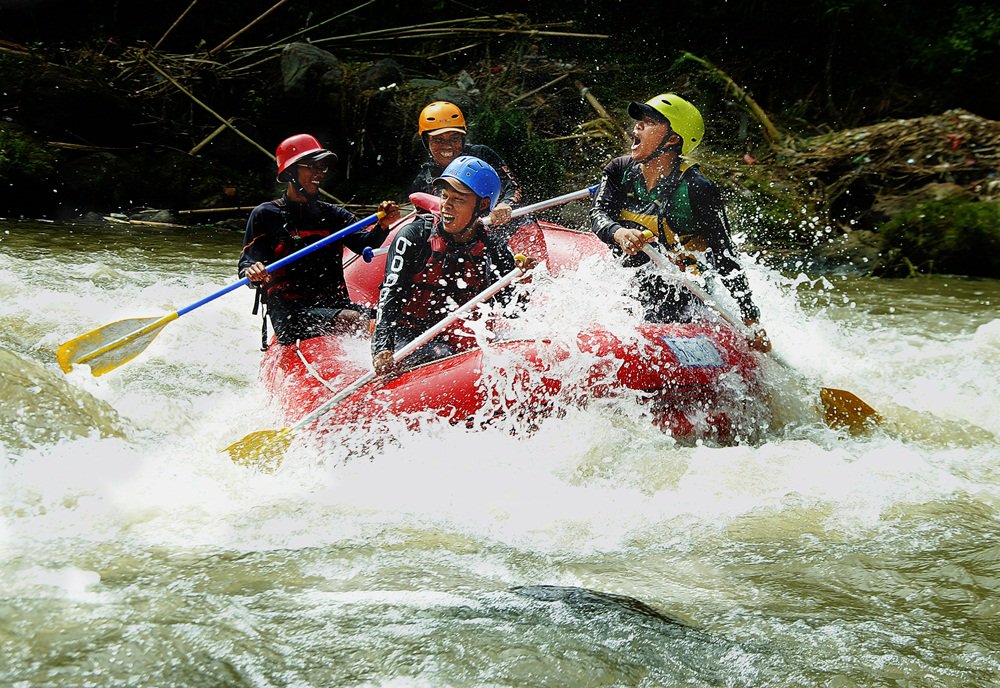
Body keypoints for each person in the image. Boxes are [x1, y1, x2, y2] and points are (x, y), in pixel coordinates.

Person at [589, 93, 771, 352]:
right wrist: (618, 233)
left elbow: (725, 255)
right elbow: (598, 213)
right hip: (626, 279)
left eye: (650, 122)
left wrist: (750, 318)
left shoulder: (697, 188)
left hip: (682, 291)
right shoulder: (619, 170)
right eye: (640, 120)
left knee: (660, 292)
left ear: (673, 139)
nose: (638, 126)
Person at [373, 155, 532, 375]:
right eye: (444, 196)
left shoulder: (492, 248)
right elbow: (390, 294)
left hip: (457, 336)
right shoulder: (414, 236)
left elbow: (512, 310)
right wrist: (382, 348)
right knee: (440, 353)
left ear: (482, 205)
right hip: (406, 333)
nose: (447, 205)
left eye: (458, 199)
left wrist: (522, 284)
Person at [239, 133, 400, 346]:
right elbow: (247, 264)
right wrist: (253, 271)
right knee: (356, 320)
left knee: (388, 318)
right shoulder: (265, 214)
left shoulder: (335, 215)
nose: (319, 173)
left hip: (335, 304)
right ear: (290, 172)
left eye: (322, 167)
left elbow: (364, 244)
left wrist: (382, 226)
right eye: (311, 166)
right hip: (290, 314)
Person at [409, 101, 547, 262]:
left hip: (507, 226)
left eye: (454, 138)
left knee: (524, 226)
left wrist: (505, 204)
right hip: (467, 244)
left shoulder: (482, 154)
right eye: (438, 140)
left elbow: (513, 187)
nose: (448, 146)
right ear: (427, 141)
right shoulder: (422, 181)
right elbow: (427, 229)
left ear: (463, 138)